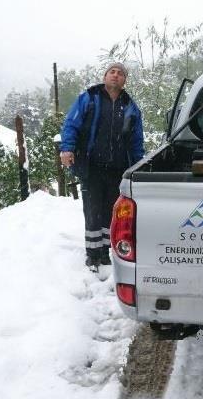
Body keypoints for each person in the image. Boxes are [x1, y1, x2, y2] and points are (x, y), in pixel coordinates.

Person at [60, 63, 144, 270]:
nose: (116, 76)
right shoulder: (89, 98)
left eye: (120, 73)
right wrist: (67, 149)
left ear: (125, 80)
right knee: (92, 209)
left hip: (118, 168)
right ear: (105, 76)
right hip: (91, 166)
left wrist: (138, 165)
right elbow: (71, 124)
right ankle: (92, 253)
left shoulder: (131, 107)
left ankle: (106, 252)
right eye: (112, 72)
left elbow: (136, 141)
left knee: (112, 211)